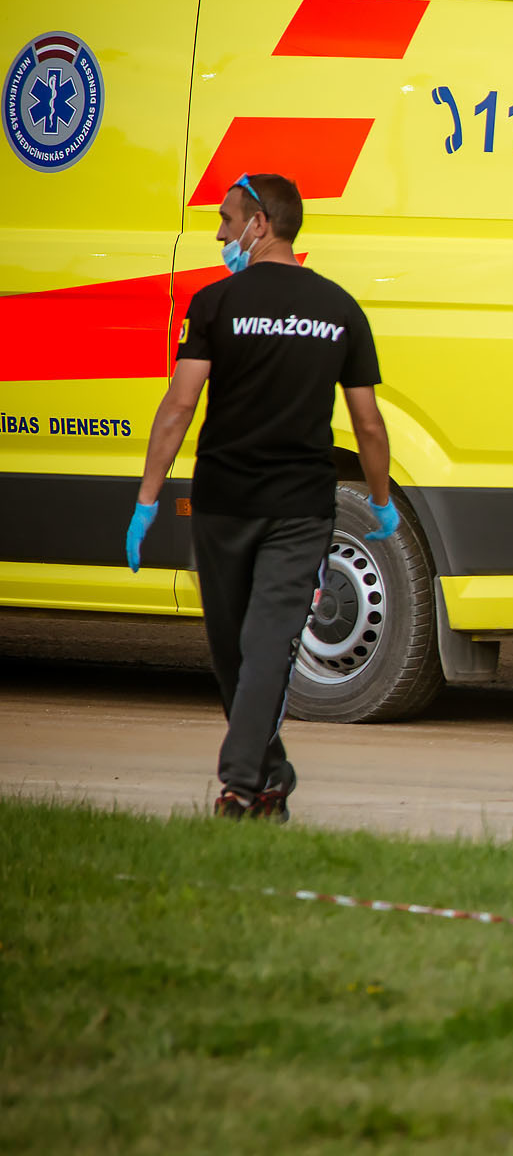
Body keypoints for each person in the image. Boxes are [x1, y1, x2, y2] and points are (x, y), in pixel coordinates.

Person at [130, 173, 397, 820]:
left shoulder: (216, 302)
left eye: (227, 220)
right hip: (289, 505)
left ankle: (238, 786)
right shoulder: (339, 309)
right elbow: (366, 422)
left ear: (262, 224)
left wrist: (147, 499)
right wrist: (381, 498)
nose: (220, 232)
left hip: (239, 505)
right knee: (247, 655)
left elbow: (179, 405)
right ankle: (271, 776)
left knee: (251, 648)